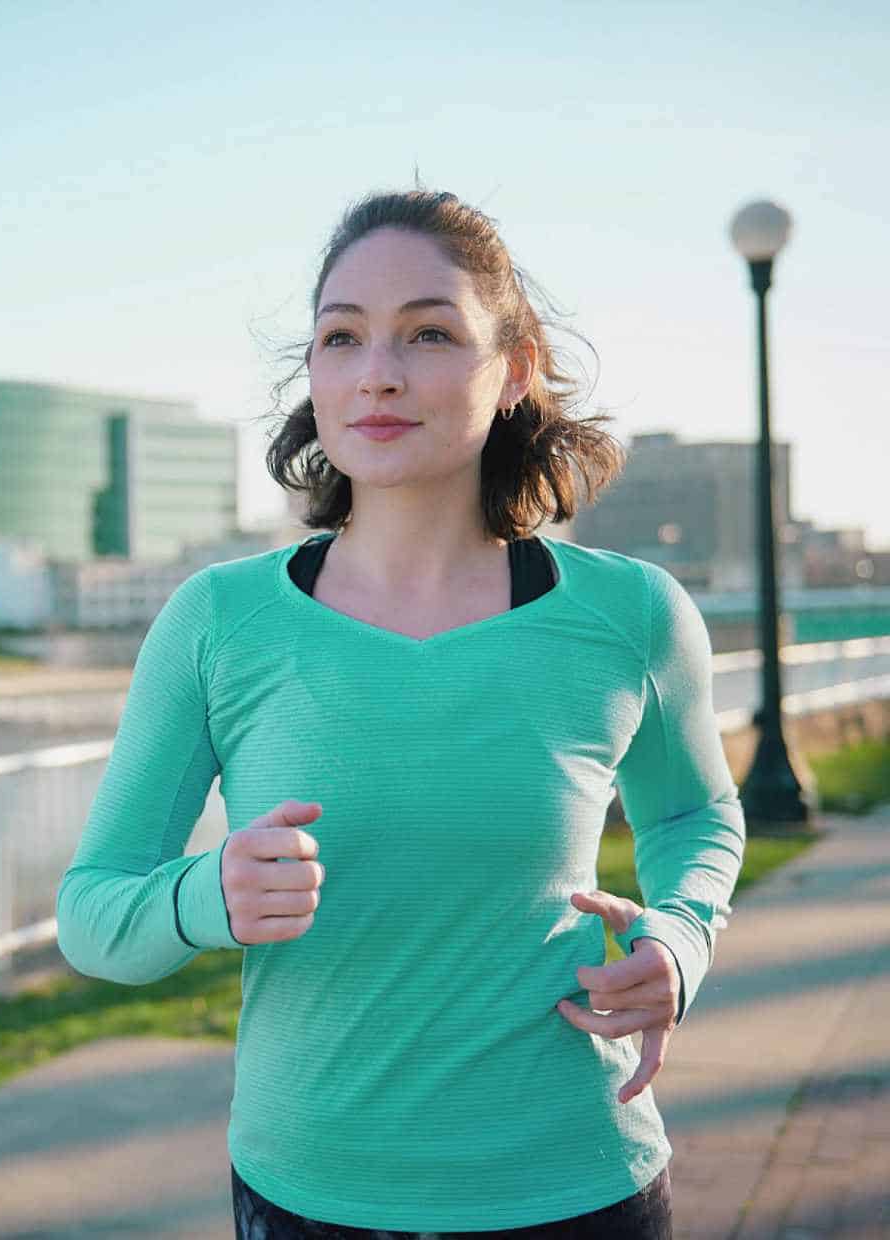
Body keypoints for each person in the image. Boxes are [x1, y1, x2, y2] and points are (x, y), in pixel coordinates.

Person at [56, 187, 746, 1238]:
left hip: (577, 1185)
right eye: (341, 337)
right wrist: (208, 895)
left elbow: (696, 817)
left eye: (428, 332)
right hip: (305, 1198)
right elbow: (93, 915)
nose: (376, 370)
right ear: (316, 374)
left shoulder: (631, 614)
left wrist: (681, 941)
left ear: (511, 370)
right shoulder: (217, 620)